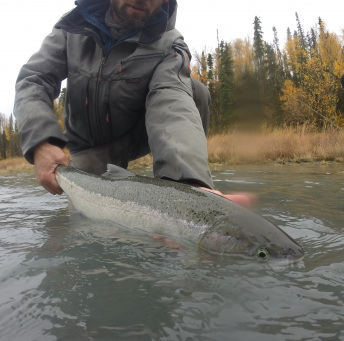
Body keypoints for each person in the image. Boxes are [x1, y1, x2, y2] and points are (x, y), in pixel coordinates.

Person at [14, 0, 252, 206]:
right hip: (89, 147)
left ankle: (177, 182)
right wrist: (41, 143)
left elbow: (172, 102)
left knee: (194, 91)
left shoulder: (170, 44)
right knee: (89, 224)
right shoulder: (72, 28)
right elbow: (34, 79)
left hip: (136, 134)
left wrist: (188, 186)